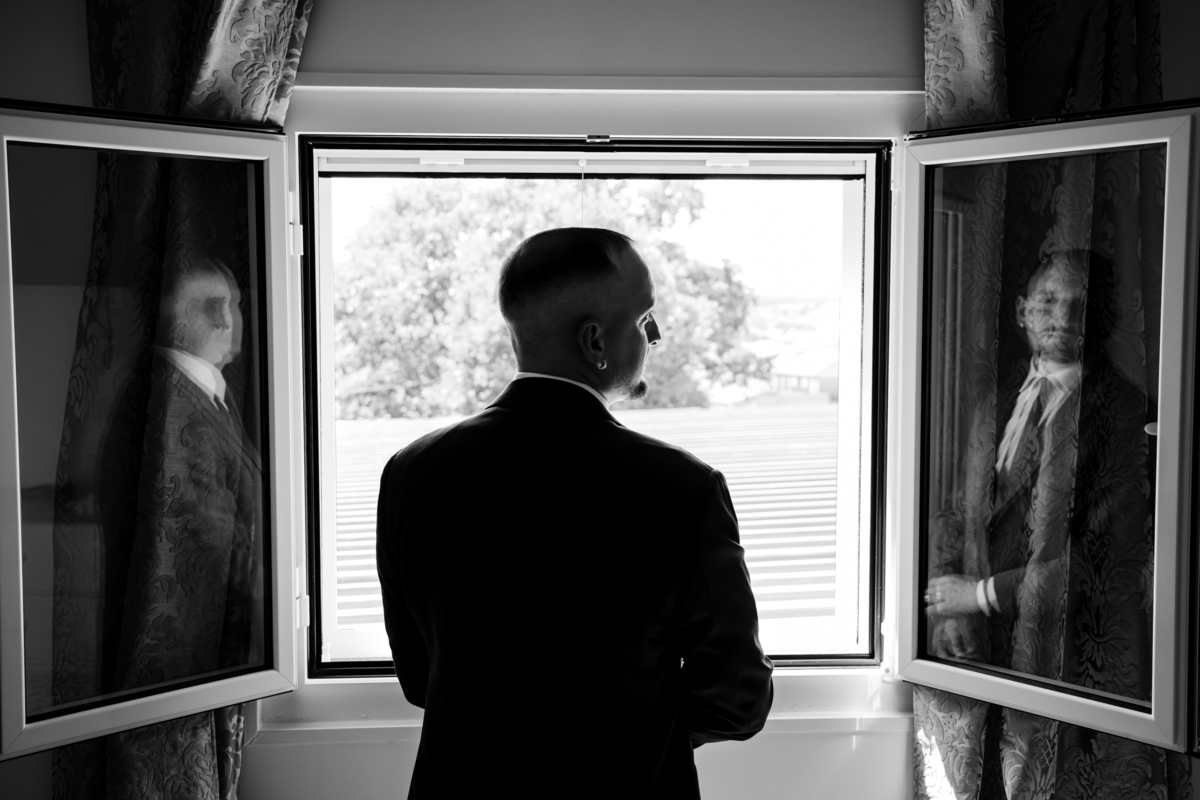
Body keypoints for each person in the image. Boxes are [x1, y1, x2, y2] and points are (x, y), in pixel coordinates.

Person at [376, 227, 774, 798]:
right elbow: (738, 700)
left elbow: (420, 678)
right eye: (645, 318)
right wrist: (635, 733)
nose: (655, 335)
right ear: (595, 341)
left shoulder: (410, 473)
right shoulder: (682, 489)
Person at [924, 249, 1152, 699]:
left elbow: (1104, 557)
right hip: (975, 652)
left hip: (1064, 661)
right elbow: (955, 512)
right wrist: (949, 609)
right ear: (1022, 310)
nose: (1062, 318)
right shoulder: (995, 399)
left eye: (1078, 305)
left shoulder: (1127, 414)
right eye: (1048, 301)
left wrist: (980, 596)